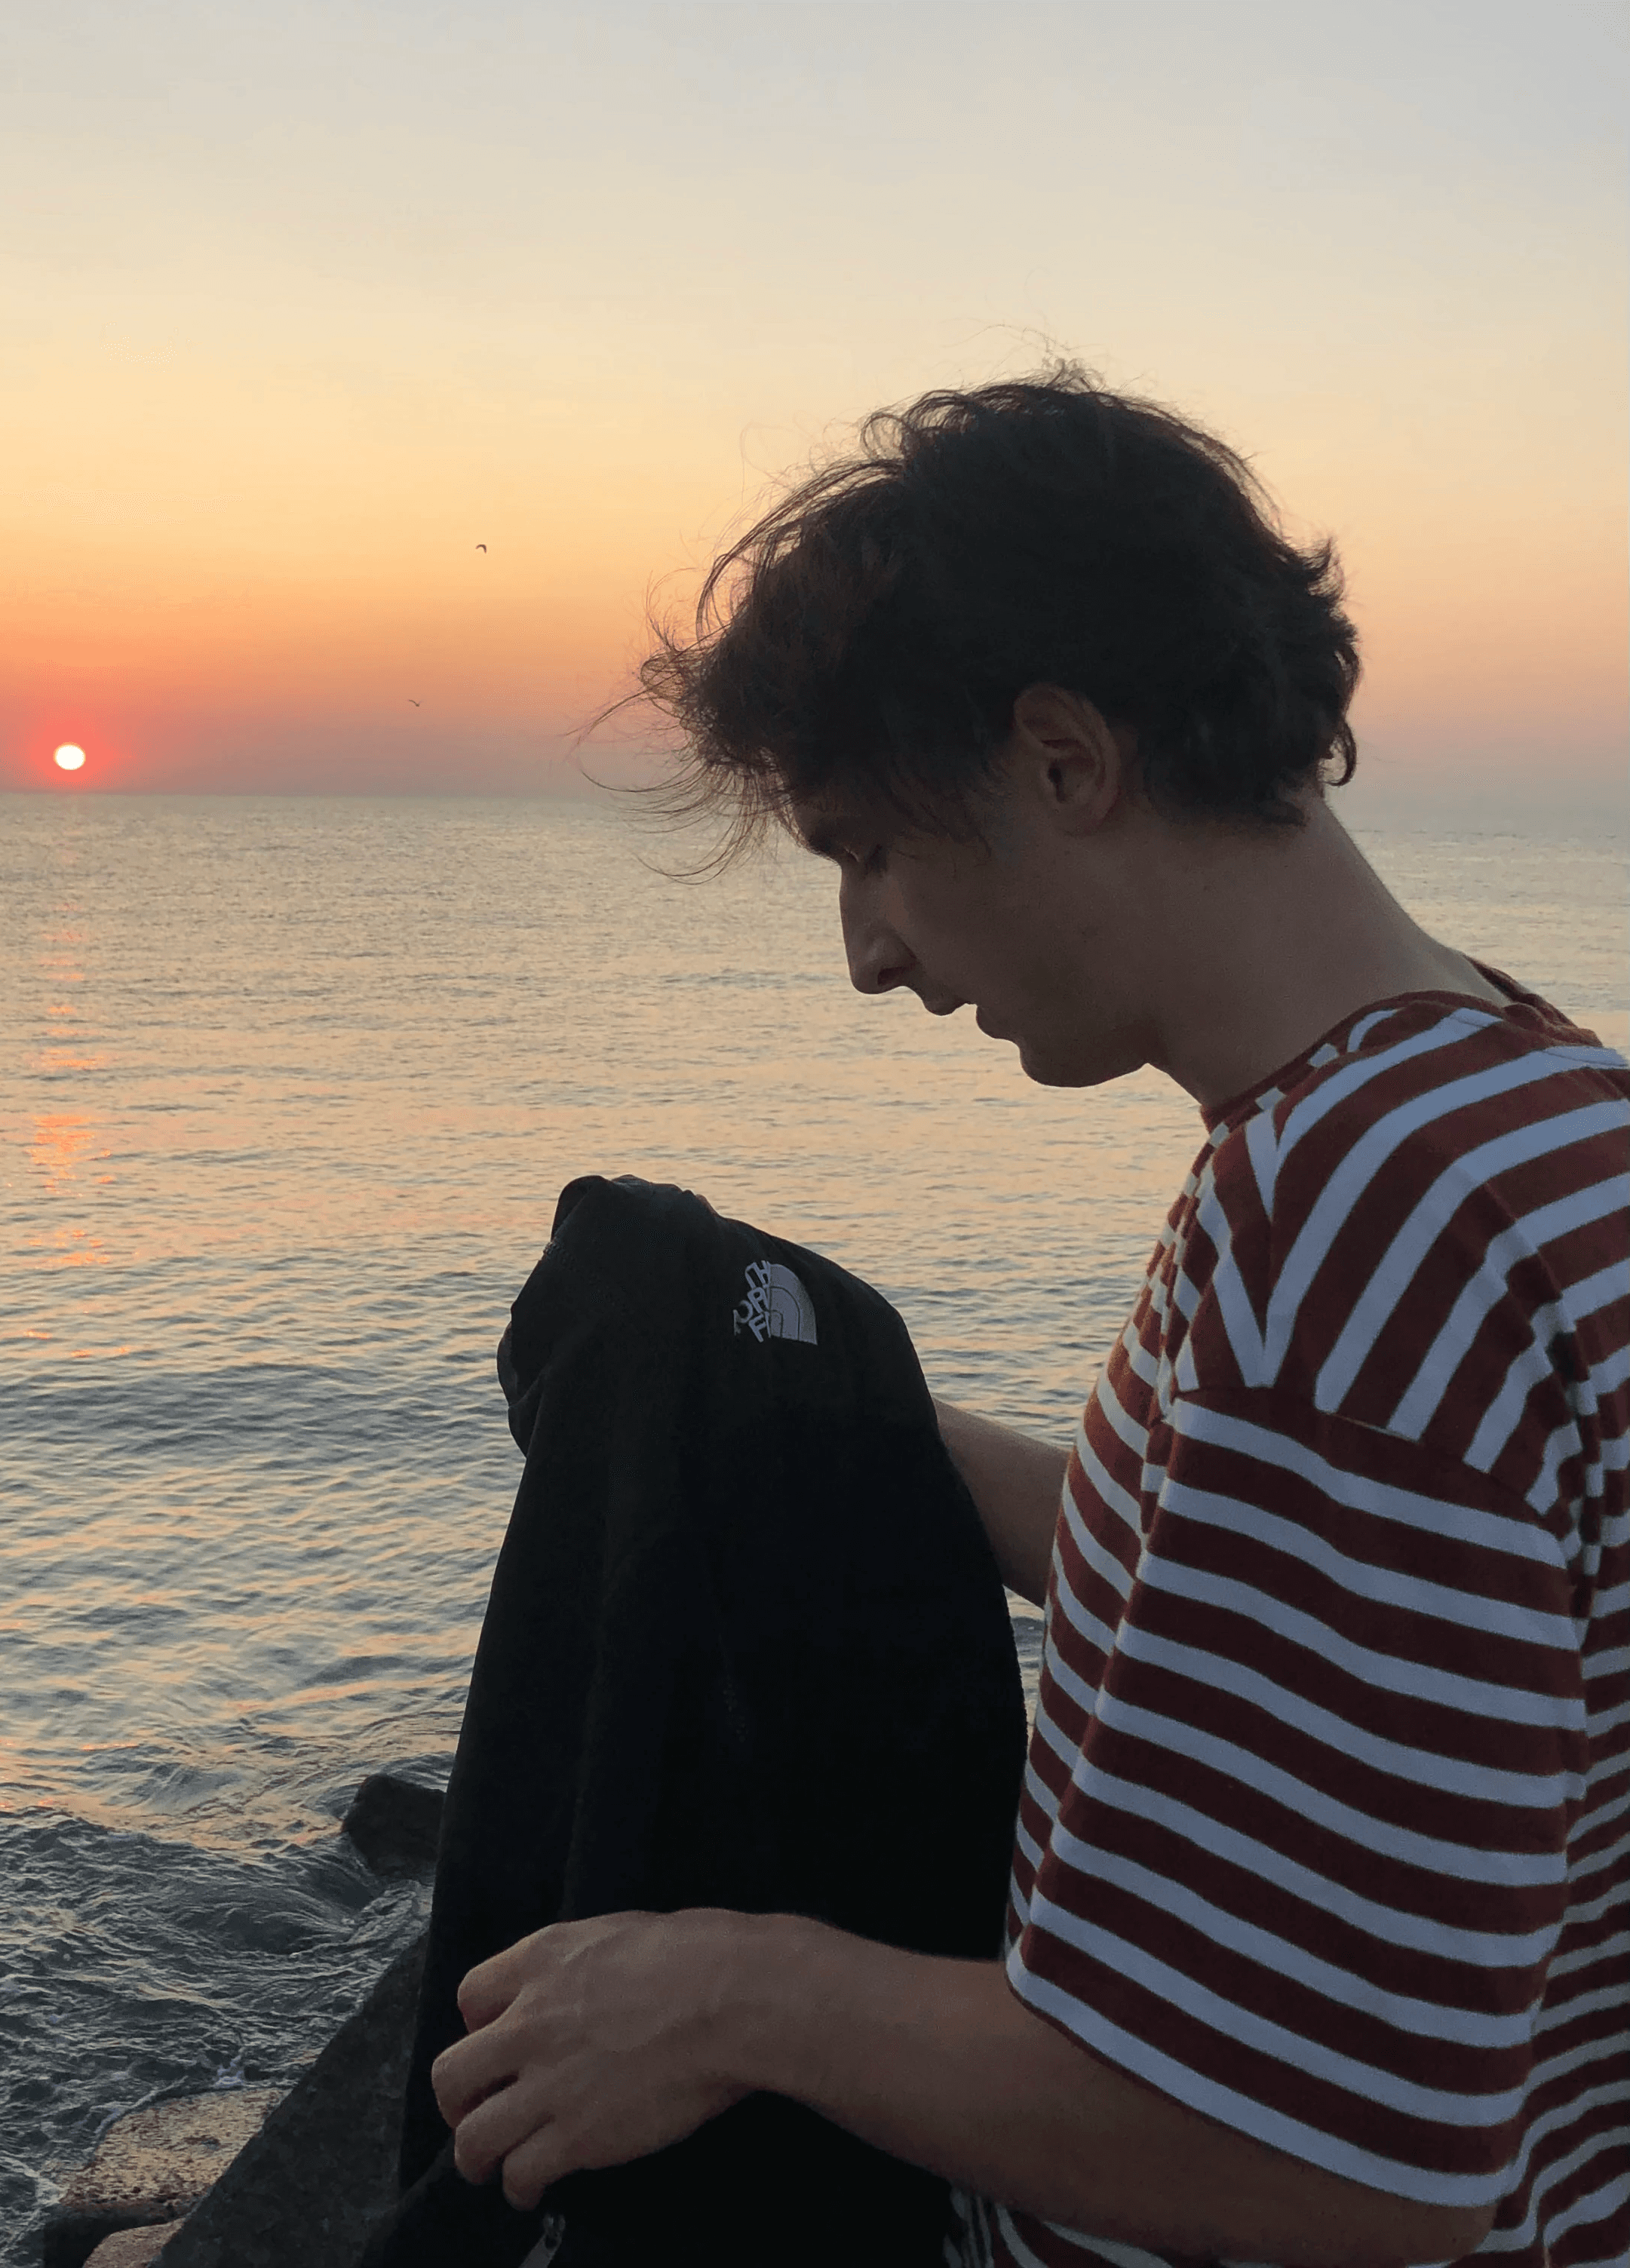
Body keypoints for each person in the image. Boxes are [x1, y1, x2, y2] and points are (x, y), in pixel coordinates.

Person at [425, 370, 1630, 2267]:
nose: (868, 955)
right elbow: (1280, 1611)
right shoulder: (1524, 1102)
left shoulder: (1349, 1220)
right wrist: (809, 1416)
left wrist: (746, 1995)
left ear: (1062, 760)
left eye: (865, 851)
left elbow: (1343, 2169)